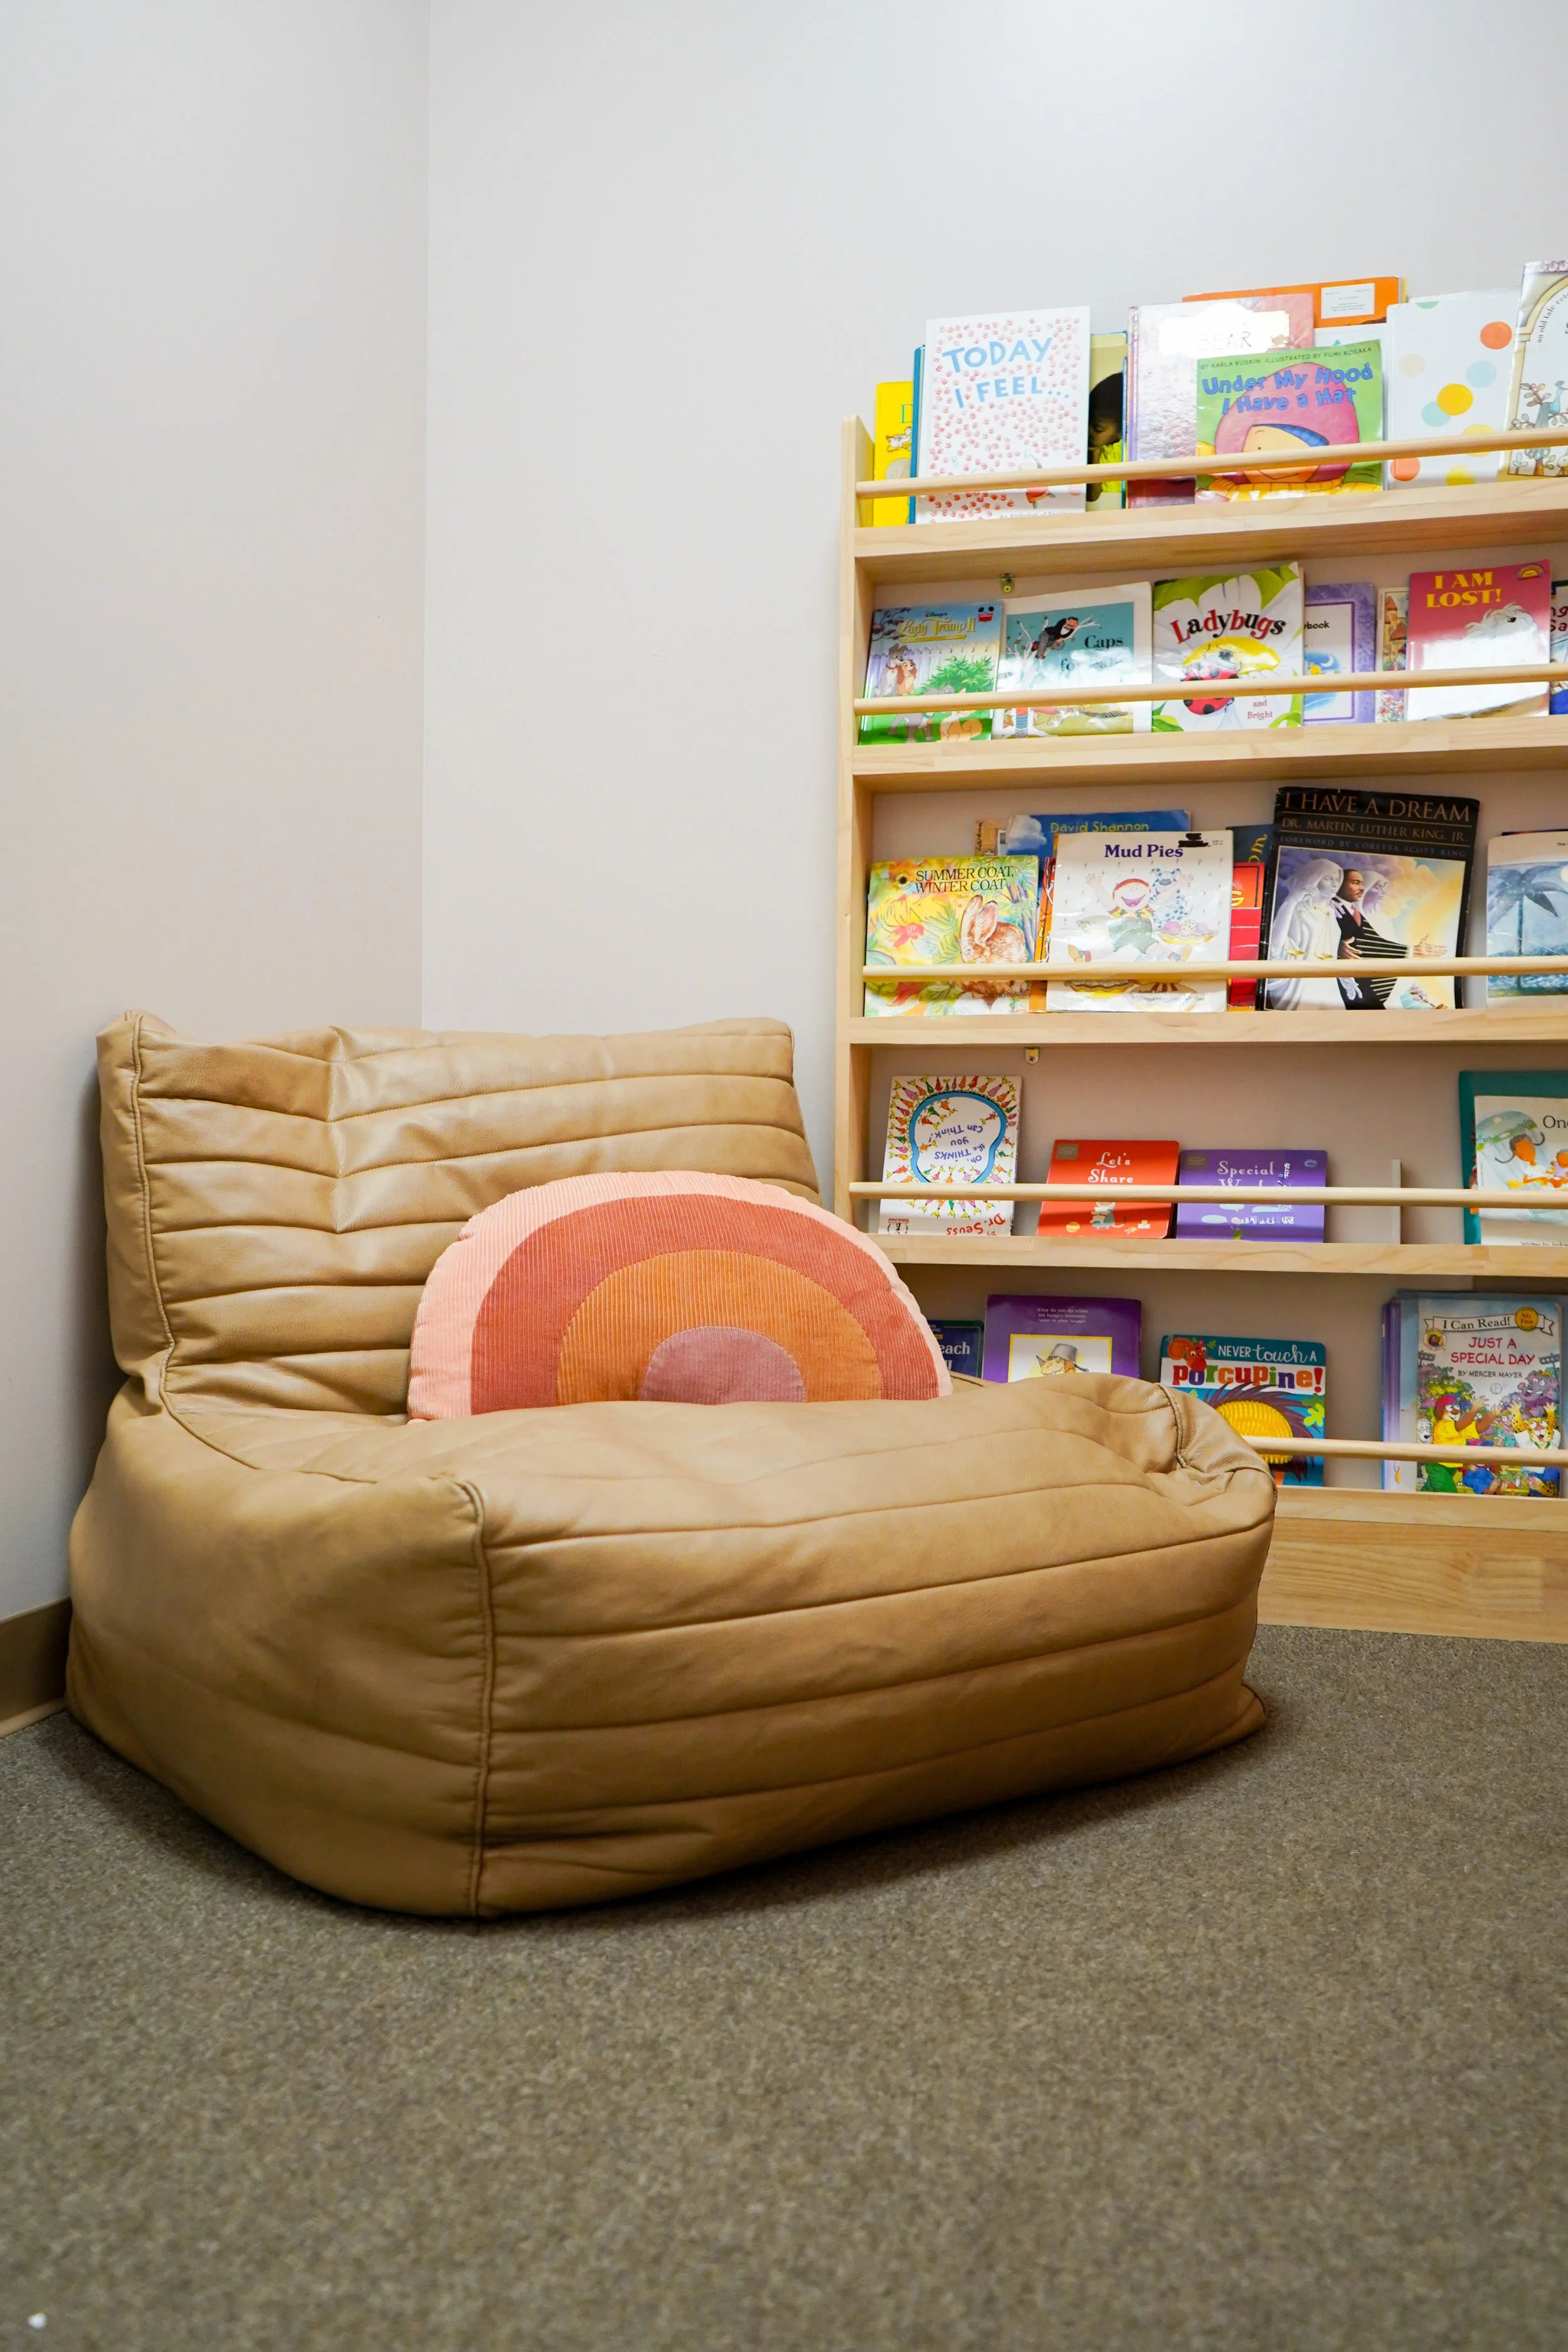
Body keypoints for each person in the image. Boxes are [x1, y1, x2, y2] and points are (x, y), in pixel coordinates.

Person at [1332, 867, 1440, 1009]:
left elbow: (1381, 947)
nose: (1361, 888)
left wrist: (1412, 982)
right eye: (1377, 887)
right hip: (1354, 982)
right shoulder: (1334, 908)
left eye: (1363, 884)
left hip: (1374, 982)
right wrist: (1337, 947)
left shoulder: (1372, 917)